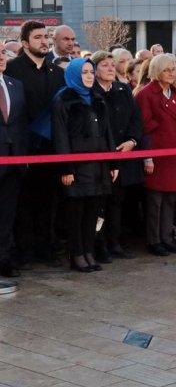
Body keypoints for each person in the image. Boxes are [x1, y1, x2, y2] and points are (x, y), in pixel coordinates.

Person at [6, 21, 64, 267]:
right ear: (25, 43)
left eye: (46, 36)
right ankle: (23, 251)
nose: (44, 41)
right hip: (21, 149)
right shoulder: (12, 70)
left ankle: (45, 248)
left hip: (51, 148)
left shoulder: (57, 72)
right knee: (22, 203)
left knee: (49, 200)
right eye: (38, 37)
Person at [51, 58, 118, 272]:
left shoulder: (98, 98)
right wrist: (66, 168)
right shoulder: (63, 100)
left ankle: (89, 252)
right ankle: (77, 254)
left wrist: (112, 163)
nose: (89, 76)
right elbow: (60, 137)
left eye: (91, 71)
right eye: (85, 72)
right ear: (74, 75)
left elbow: (108, 133)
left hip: (99, 166)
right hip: (77, 167)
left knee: (93, 212)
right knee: (76, 213)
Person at [91, 50, 143, 262]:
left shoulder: (123, 90)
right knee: (99, 204)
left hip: (123, 154)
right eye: (105, 65)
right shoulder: (91, 92)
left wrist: (132, 141)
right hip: (101, 156)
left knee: (117, 202)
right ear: (94, 70)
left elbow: (135, 119)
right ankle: (98, 245)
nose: (111, 68)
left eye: (113, 65)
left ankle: (115, 242)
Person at [135, 54, 176, 257]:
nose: (172, 73)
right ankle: (154, 240)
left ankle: (167, 238)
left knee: (170, 199)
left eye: (174, 69)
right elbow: (144, 127)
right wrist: (147, 156)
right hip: (156, 153)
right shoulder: (146, 94)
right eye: (167, 69)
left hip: (175, 153)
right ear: (157, 71)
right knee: (155, 200)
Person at [0, 49, 28, 278]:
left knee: (7, 214)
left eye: (2, 53)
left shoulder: (14, 84)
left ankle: (4, 259)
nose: (1, 57)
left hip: (14, 159)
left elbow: (20, 123)